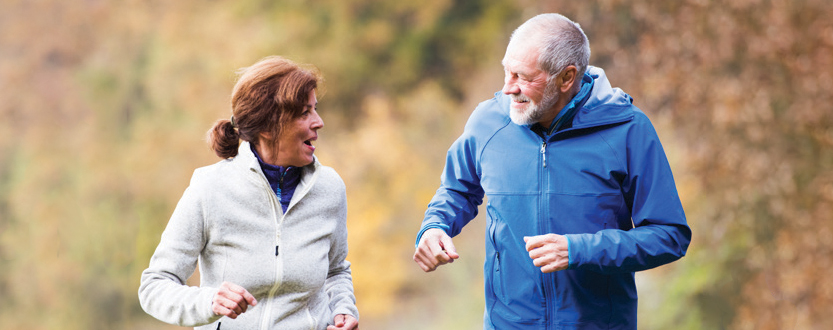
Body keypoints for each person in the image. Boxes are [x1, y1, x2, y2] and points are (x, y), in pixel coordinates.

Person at [413, 13, 691, 330]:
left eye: (522, 77)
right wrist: (435, 226)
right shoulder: (487, 122)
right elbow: (457, 189)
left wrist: (580, 250)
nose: (508, 88)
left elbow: (669, 236)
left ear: (566, 78)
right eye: (506, 72)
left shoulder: (628, 130)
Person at [139, 56, 359, 330]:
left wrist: (343, 309)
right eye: (304, 113)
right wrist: (209, 302)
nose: (319, 122)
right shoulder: (210, 189)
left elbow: (336, 271)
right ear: (267, 127)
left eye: (315, 109)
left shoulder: (329, 188)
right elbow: (155, 286)